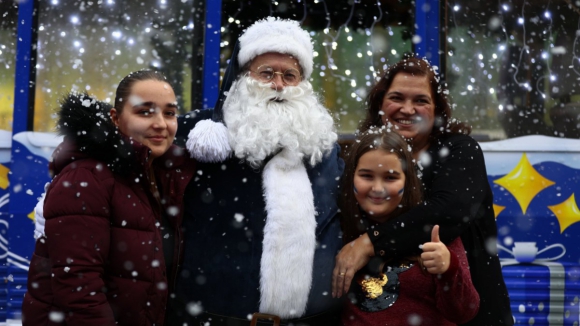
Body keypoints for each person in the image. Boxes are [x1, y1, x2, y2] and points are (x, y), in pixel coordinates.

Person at [170, 17, 344, 325]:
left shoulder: (323, 147)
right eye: (266, 73)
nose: (278, 85)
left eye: (290, 75)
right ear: (242, 77)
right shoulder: (199, 134)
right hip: (214, 318)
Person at [332, 57, 514, 325]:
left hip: (473, 315)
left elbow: (450, 211)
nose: (408, 109)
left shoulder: (459, 151)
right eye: (397, 97)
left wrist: (369, 243)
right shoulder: (364, 156)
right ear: (379, 105)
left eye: (421, 100)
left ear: (437, 109)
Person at [21, 70, 196, 325]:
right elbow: (79, 291)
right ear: (115, 118)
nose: (160, 123)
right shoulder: (86, 178)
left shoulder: (160, 177)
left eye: (169, 113)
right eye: (145, 111)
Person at [339, 128, 479, 325]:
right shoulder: (339, 228)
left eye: (390, 177)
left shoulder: (432, 230)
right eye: (366, 176)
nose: (377, 188)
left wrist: (448, 268)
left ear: (408, 180)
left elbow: (464, 312)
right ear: (351, 177)